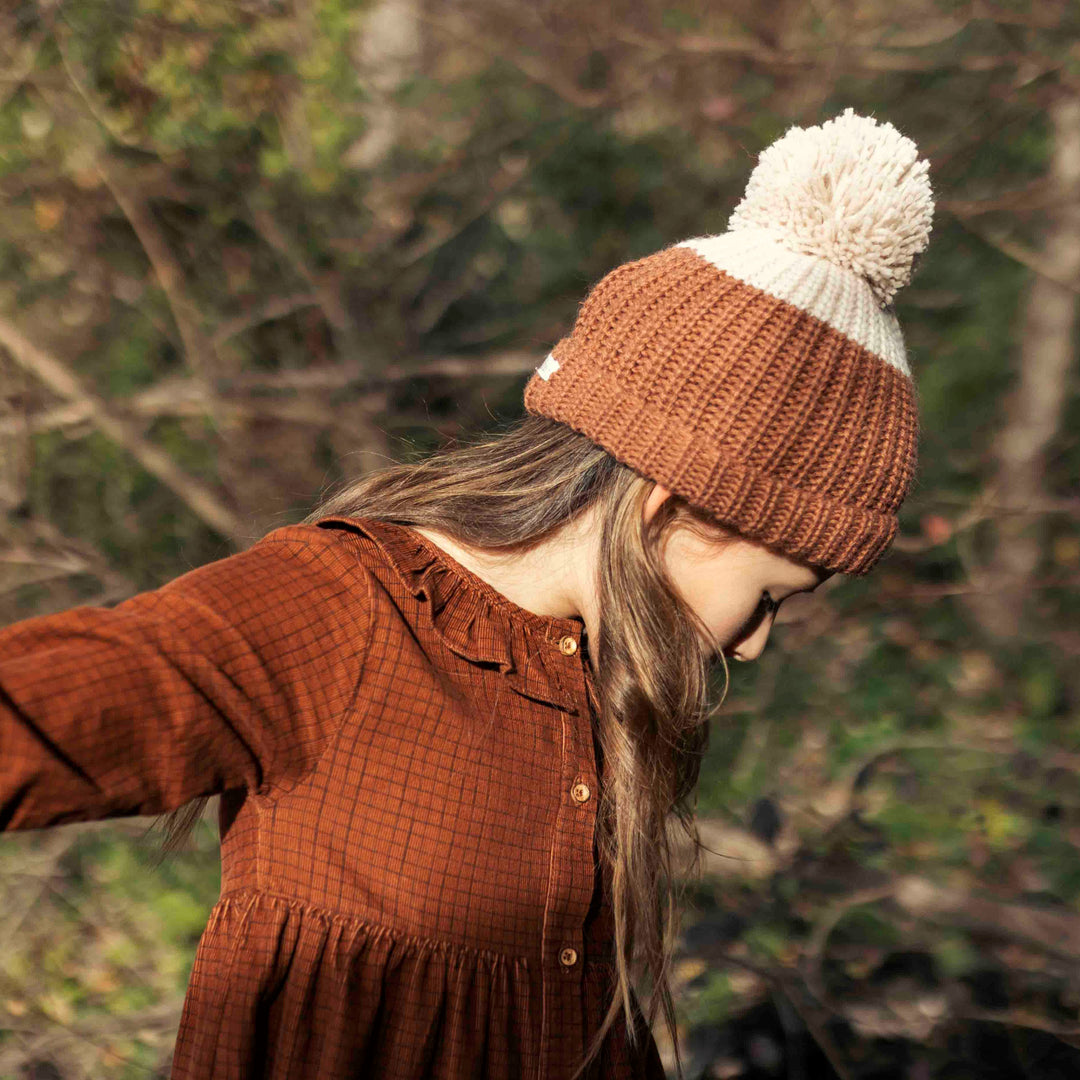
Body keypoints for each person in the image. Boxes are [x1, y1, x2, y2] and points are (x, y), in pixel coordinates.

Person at [0, 108, 934, 1080]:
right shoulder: (342, 613)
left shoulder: (600, 704)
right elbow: (47, 713)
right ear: (668, 510)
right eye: (773, 596)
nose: (753, 648)